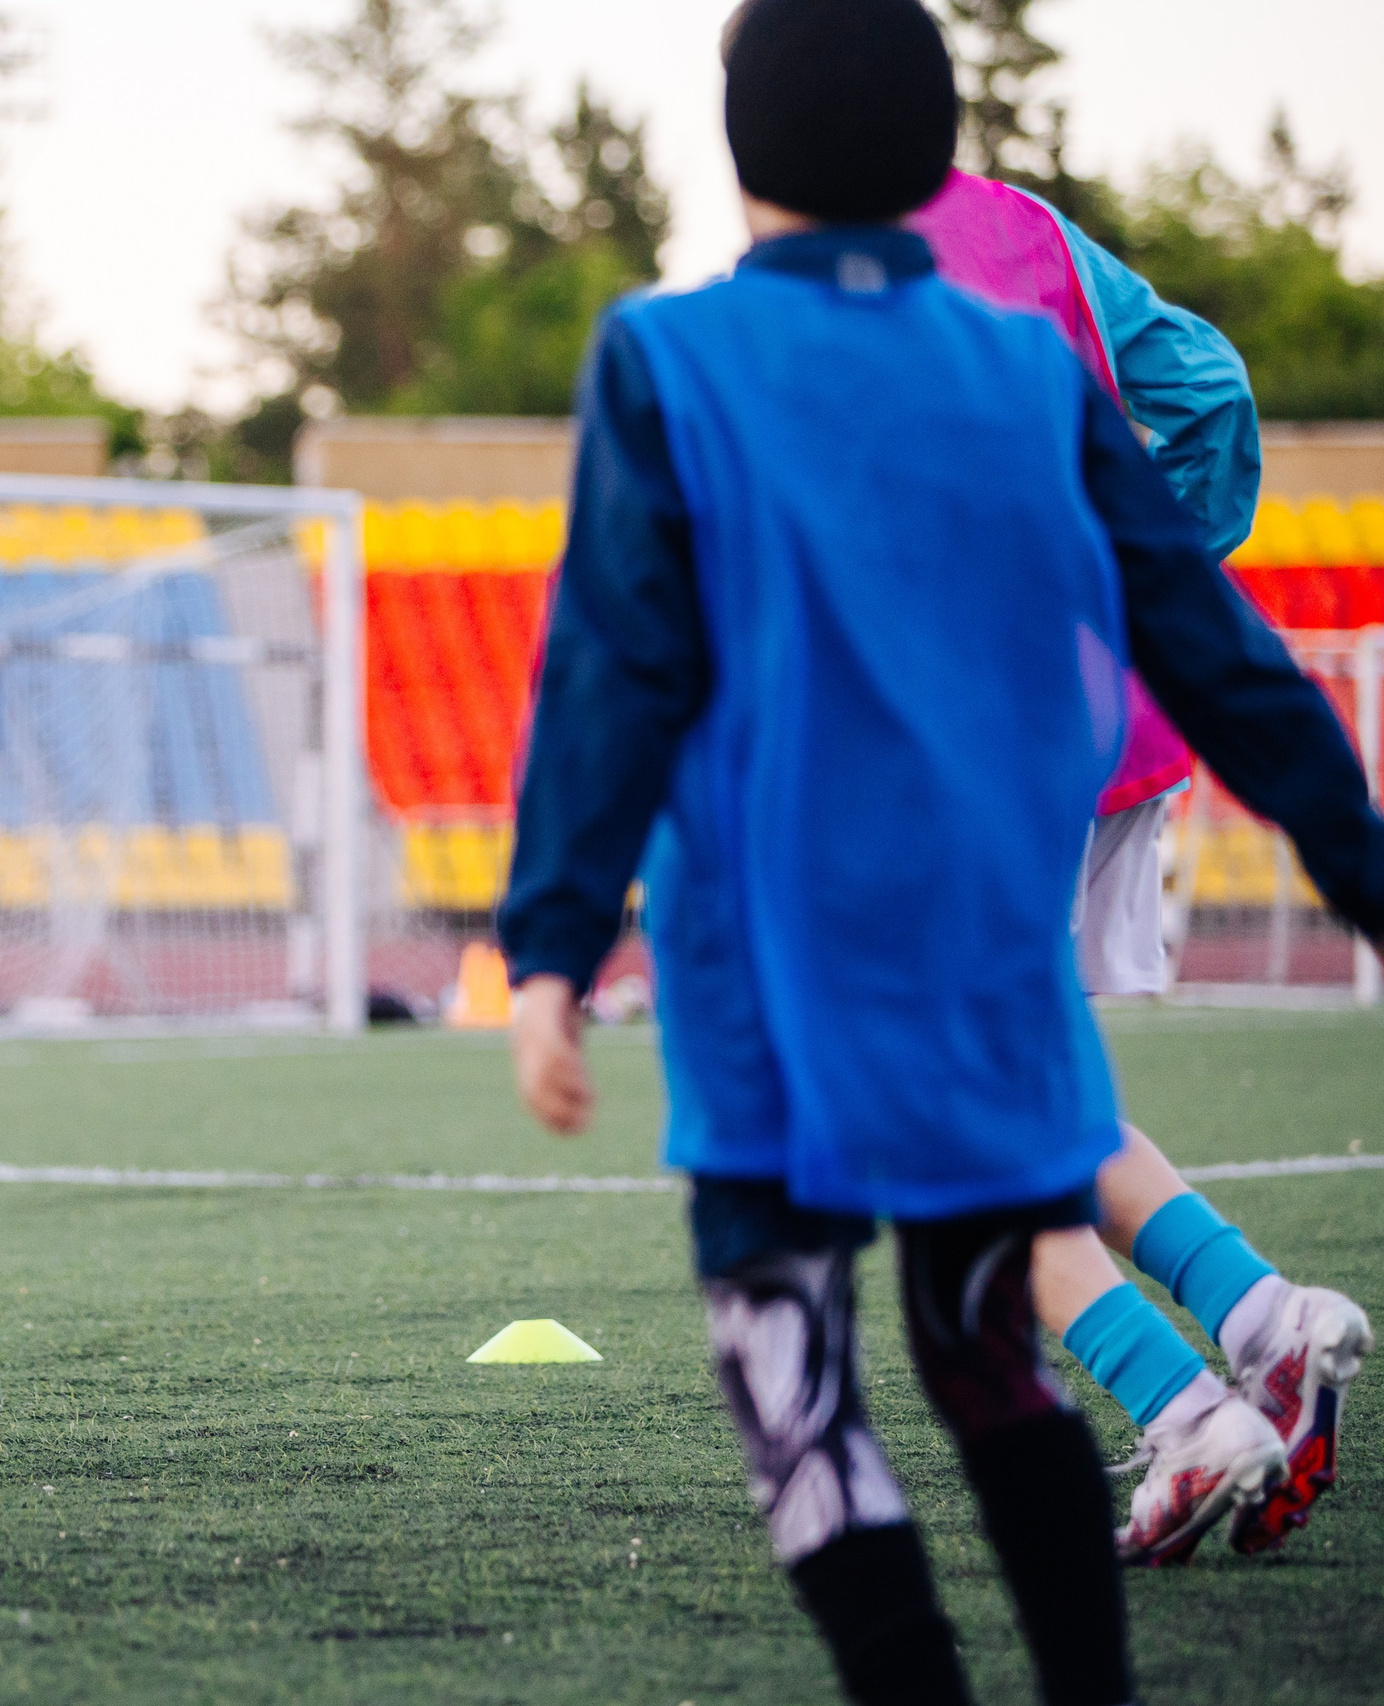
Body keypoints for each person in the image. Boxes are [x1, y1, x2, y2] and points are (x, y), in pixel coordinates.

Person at [495, 3, 1384, 1702]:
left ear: (740, 156)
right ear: (935, 156)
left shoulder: (664, 359)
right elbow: (1225, 657)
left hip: (762, 987)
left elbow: (612, 668)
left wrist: (546, 946)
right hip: (985, 956)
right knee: (988, 1365)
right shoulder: (1028, 369)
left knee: (802, 1398)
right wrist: (1364, 870)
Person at [910, 171, 1371, 1562]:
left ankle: (1185, 1412)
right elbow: (1214, 393)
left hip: (976, 745)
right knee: (1028, 1080)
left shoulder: (830, 285)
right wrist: (1136, 585)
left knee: (956, 1125)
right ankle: (1262, 1322)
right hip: (1115, 710)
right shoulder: (1027, 228)